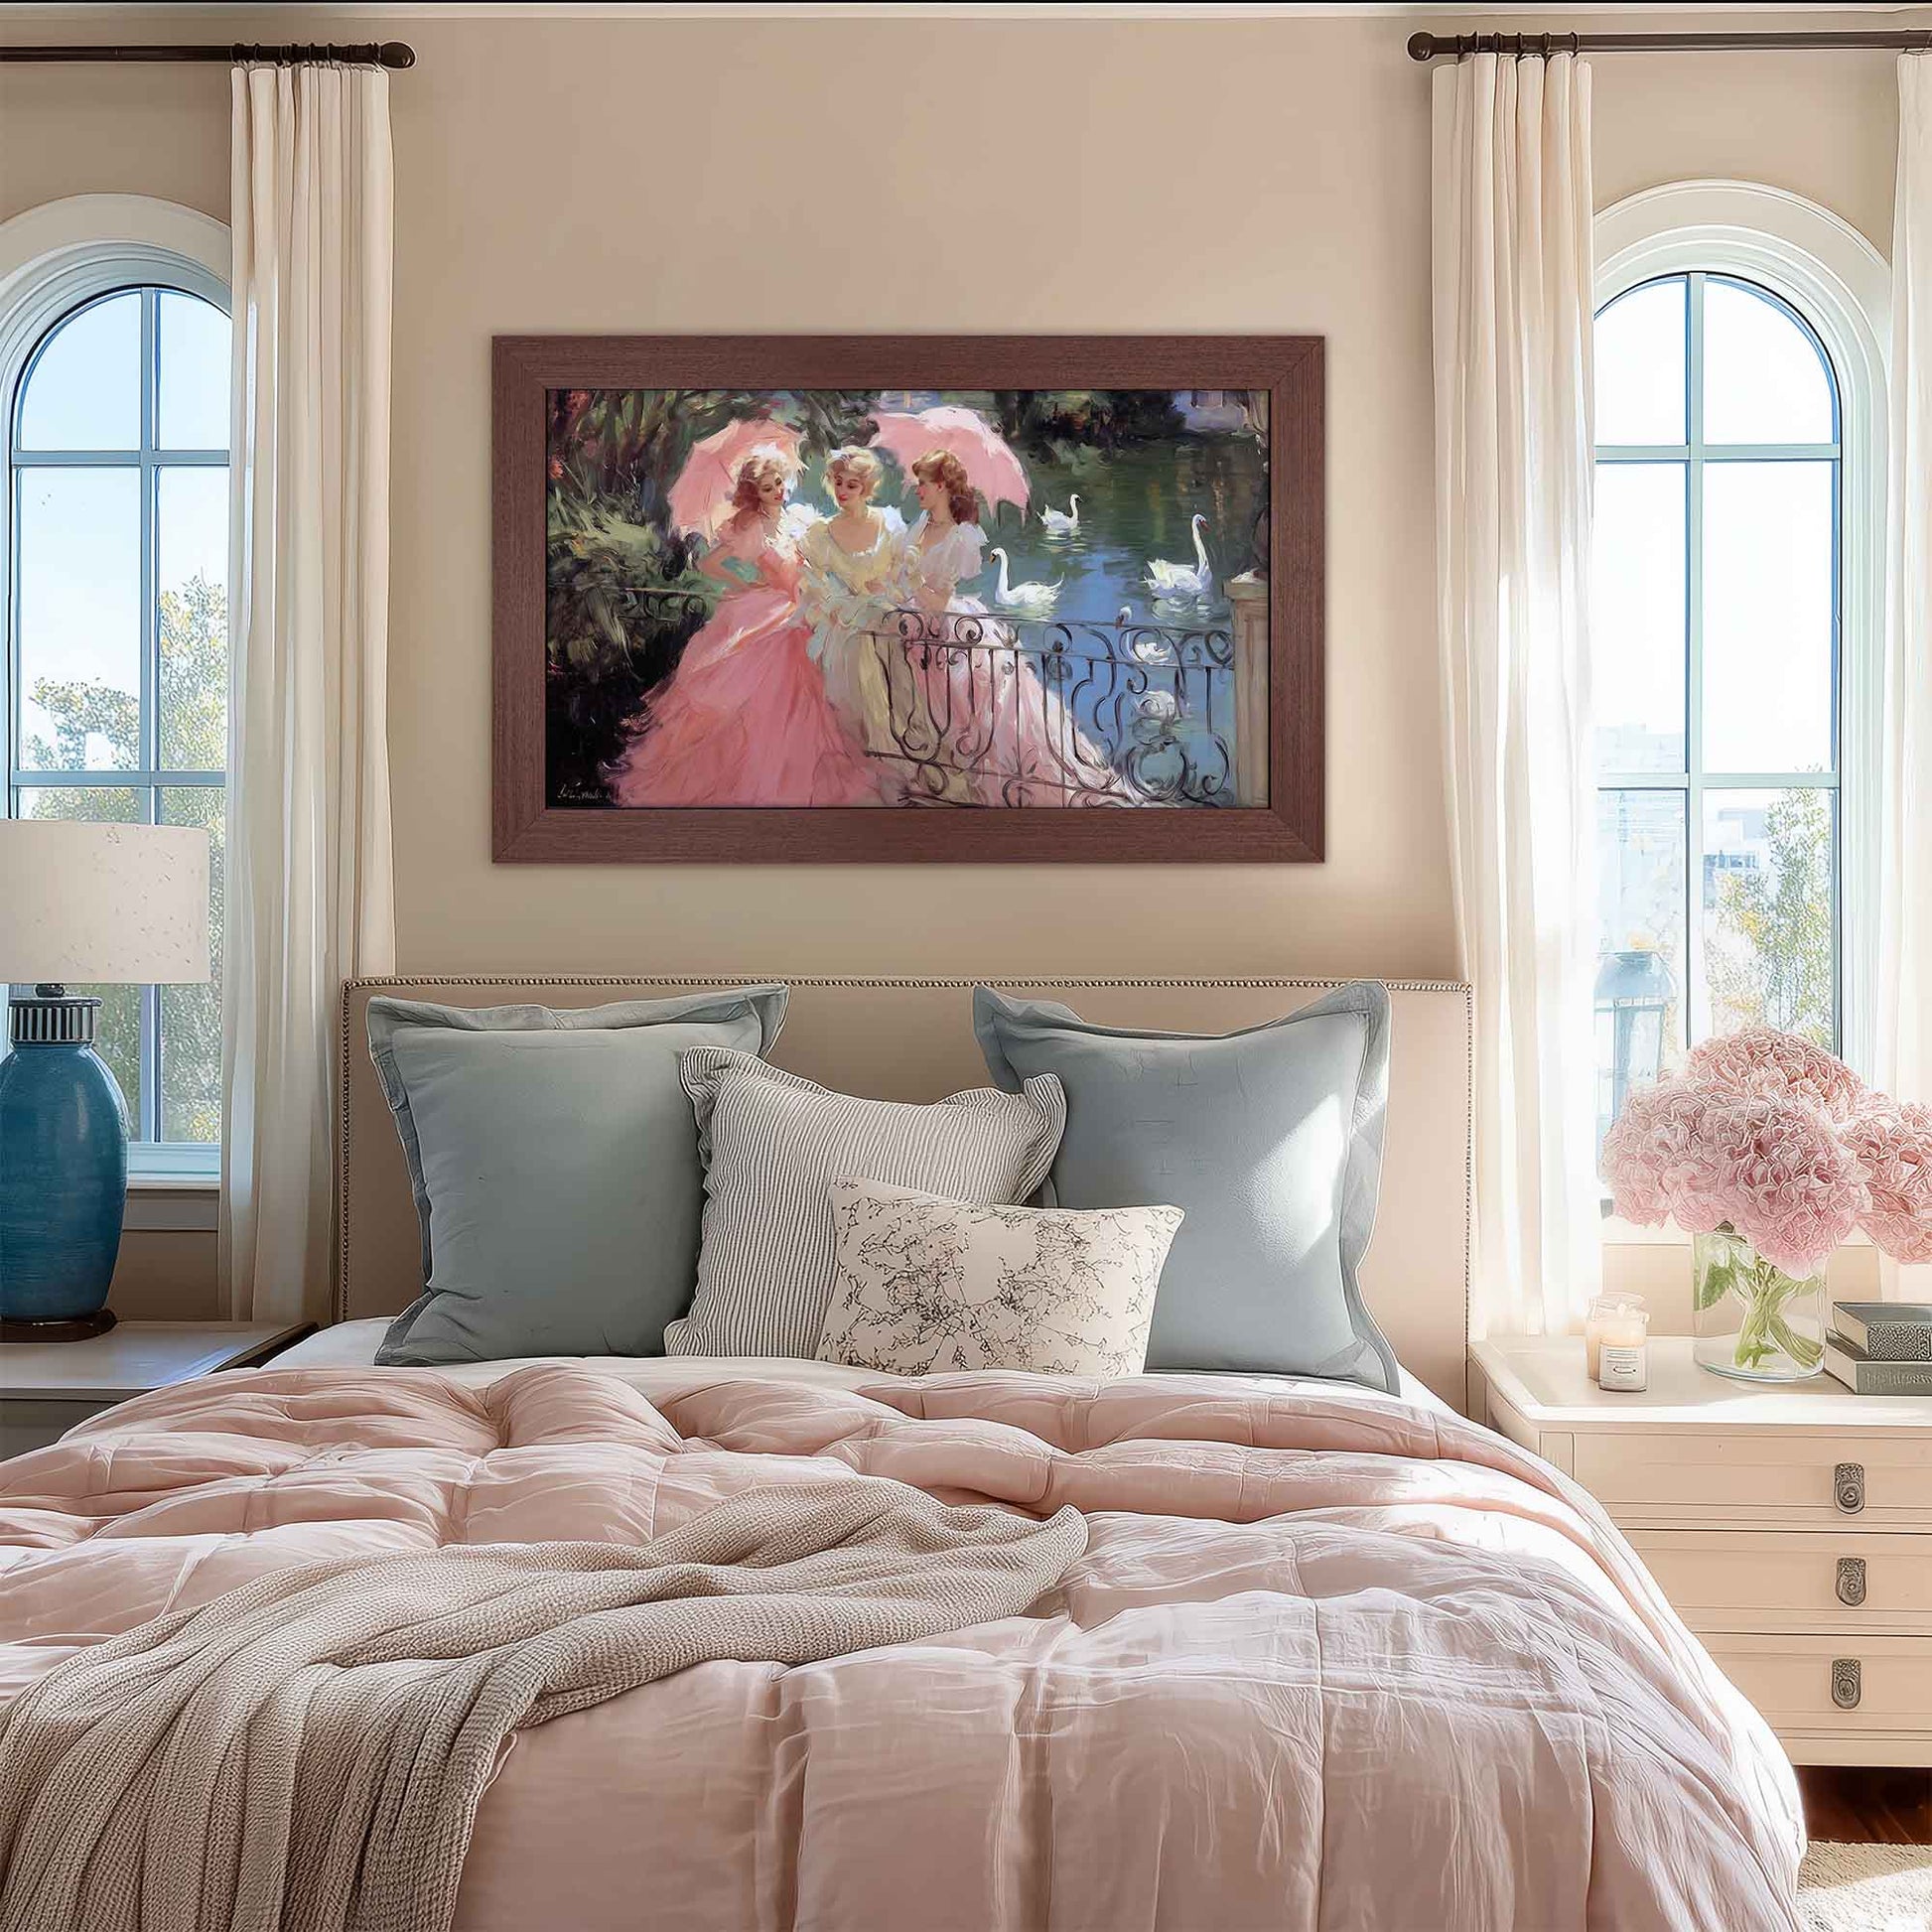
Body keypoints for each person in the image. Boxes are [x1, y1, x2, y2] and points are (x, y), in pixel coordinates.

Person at [611, 449, 880, 807]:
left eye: (780, 483)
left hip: (805, 605)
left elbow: (822, 559)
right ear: (757, 494)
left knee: (811, 690)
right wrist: (741, 585)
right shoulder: (751, 527)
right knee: (768, 689)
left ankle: (794, 767)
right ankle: (759, 775)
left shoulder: (799, 517)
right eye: (769, 489)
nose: (779, 492)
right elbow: (708, 563)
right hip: (773, 610)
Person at [902, 449, 1116, 806]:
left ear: (940, 487)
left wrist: (913, 578)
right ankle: (941, 779)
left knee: (981, 710)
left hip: (947, 628)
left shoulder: (961, 536)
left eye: (922, 484)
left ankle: (998, 781)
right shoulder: (919, 526)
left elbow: (939, 601)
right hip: (914, 630)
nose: (917, 491)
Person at [796, 447, 908, 782]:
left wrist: (885, 587)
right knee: (856, 650)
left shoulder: (888, 523)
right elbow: (812, 584)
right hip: (844, 617)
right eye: (839, 483)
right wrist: (833, 604)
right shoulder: (821, 533)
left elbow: (902, 573)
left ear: (867, 488)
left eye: (852, 485)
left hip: (884, 612)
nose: (843, 492)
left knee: (884, 644)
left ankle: (896, 745)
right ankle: (867, 755)